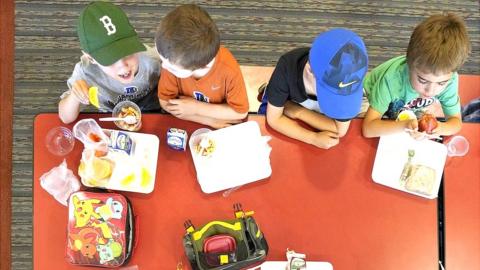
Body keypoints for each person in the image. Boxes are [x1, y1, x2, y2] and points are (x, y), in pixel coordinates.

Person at [362, 13, 471, 139]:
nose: (430, 91)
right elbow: (368, 128)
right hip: (370, 97)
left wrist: (439, 128)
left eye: (441, 83)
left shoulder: (450, 79)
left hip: (404, 107)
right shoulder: (391, 80)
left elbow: (456, 122)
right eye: (423, 80)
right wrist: (405, 125)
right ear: (409, 66)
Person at [258, 28, 368, 149]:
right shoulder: (287, 66)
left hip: (294, 107)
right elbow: (274, 119)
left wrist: (299, 112)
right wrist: (312, 138)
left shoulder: (350, 76)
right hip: (290, 96)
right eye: (329, 92)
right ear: (309, 69)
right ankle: (272, 89)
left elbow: (340, 130)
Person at [59, 1, 161, 124]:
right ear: (91, 58)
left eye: (128, 52)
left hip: (155, 113)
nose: (123, 67)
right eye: (110, 59)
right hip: (113, 119)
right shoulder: (86, 74)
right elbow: (65, 117)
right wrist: (76, 96)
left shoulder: (153, 60)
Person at [155, 4, 249, 129]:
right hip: (196, 122)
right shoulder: (172, 59)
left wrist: (196, 108)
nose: (164, 66)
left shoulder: (229, 70)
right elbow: (165, 102)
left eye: (172, 68)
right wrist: (206, 120)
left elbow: (240, 112)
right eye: (160, 57)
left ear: (203, 66)